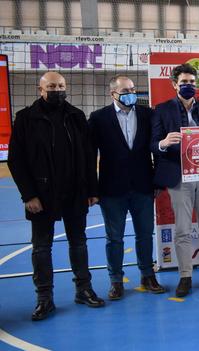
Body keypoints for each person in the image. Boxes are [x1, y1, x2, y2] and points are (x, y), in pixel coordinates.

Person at [9, 71, 105, 321]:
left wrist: (92, 189)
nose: (57, 90)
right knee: (41, 247)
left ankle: (83, 289)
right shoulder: (26, 119)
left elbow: (88, 154)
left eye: (61, 86)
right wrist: (28, 195)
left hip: (75, 192)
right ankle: (44, 298)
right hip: (41, 195)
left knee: (79, 243)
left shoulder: (76, 116)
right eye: (51, 86)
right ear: (40, 89)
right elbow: (16, 161)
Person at [150, 63, 199, 297]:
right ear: (174, 85)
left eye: (192, 83)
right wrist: (164, 143)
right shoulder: (161, 110)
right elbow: (153, 144)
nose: (188, 86)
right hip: (179, 177)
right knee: (183, 229)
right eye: (184, 82)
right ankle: (185, 276)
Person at [89, 75, 166, 300]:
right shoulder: (98, 118)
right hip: (112, 189)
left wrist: (158, 180)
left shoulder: (147, 114)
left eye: (133, 89)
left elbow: (156, 149)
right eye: (125, 90)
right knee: (114, 238)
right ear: (113, 93)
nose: (131, 93)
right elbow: (89, 155)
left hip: (143, 185)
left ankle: (147, 275)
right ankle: (116, 280)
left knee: (145, 234)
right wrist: (92, 189)